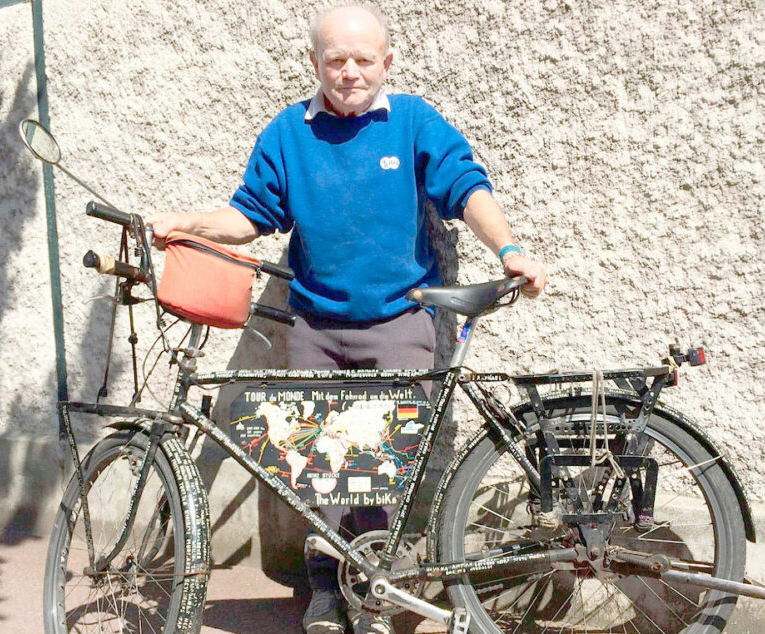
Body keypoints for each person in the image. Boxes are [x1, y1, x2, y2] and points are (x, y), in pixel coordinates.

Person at [149, 5, 546, 633]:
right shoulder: (288, 133)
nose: (350, 71)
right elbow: (250, 214)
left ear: (386, 61)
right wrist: (190, 223)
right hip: (316, 327)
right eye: (337, 59)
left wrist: (509, 249)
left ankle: (374, 595)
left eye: (364, 59)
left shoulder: (412, 121)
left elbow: (467, 187)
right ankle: (326, 594)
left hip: (400, 321)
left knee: (381, 473)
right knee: (322, 473)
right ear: (315, 63)